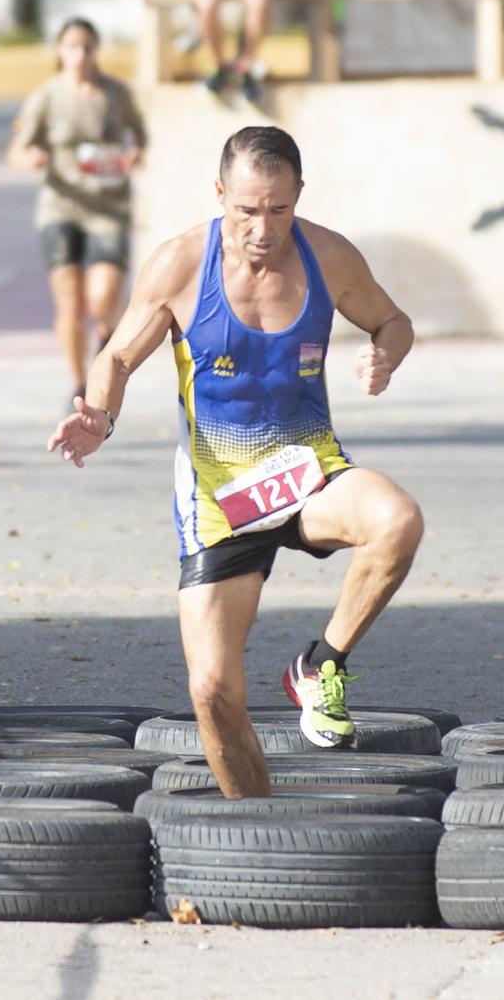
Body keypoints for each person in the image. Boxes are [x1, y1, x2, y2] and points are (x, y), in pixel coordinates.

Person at [46, 126, 421, 795]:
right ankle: (255, 834)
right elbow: (118, 356)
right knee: (214, 690)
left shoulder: (329, 256)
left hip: (308, 474)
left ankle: (320, 664)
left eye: (279, 210)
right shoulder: (180, 265)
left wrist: (385, 353)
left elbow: (393, 320)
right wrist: (99, 415)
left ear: (298, 196)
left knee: (397, 520)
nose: (262, 228)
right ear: (220, 194)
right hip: (223, 499)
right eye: (247, 210)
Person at [6, 18, 148, 405]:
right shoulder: (46, 97)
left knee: (102, 296)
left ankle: (105, 328)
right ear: (59, 51)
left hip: (108, 205)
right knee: (69, 300)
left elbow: (141, 137)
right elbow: (16, 150)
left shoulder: (116, 95)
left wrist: (134, 153)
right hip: (61, 204)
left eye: (87, 47)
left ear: (96, 51)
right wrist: (29, 158)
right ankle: (78, 382)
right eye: (72, 47)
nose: (80, 55)